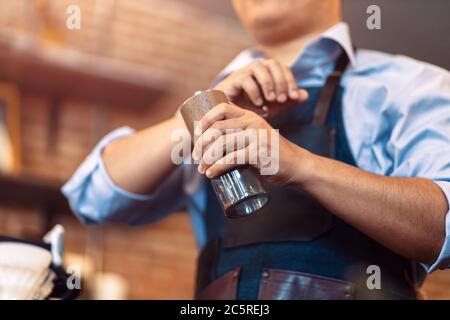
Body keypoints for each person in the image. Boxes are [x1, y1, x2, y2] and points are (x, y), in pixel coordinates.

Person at [62, 0, 450, 299]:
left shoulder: (413, 88)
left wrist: (301, 165)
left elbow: (443, 230)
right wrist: (200, 114)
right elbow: (92, 198)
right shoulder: (208, 114)